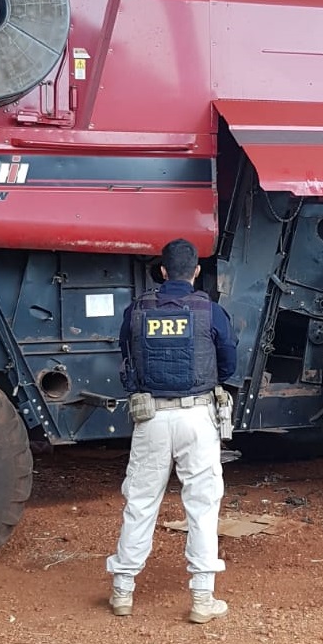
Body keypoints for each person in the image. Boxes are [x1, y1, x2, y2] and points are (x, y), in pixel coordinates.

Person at [106, 238, 238, 624]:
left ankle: (122, 591)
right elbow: (229, 363)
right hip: (198, 416)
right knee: (202, 505)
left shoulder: (137, 309)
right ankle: (202, 598)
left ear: (162, 271)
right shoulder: (210, 311)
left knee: (141, 502)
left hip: (151, 418)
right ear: (196, 271)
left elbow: (126, 356)